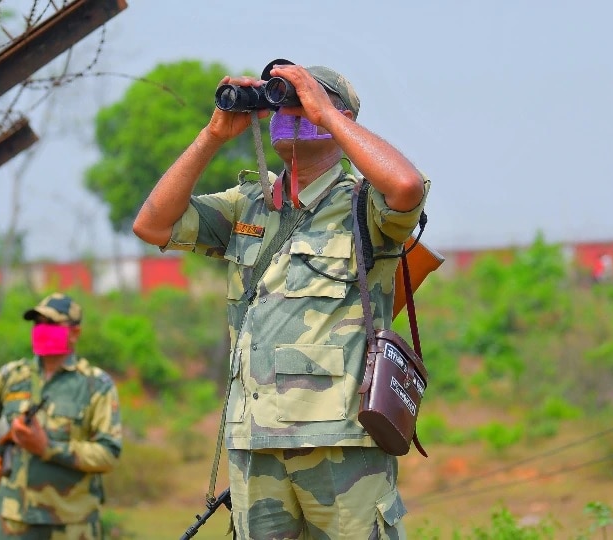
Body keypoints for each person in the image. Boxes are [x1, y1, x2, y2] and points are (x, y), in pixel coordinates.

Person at [133, 59, 429, 538]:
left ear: (342, 120)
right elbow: (152, 225)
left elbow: (406, 187)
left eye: (302, 104)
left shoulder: (364, 205)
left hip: (339, 438)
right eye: (281, 105)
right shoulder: (247, 205)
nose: (289, 114)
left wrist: (326, 114)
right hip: (254, 440)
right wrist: (213, 134)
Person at [0, 292, 123, 540]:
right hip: (12, 520)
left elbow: (108, 453)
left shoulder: (95, 385)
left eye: (51, 324)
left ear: (75, 332)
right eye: (37, 323)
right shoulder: (13, 376)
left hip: (71, 524)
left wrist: (48, 448)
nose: (41, 329)